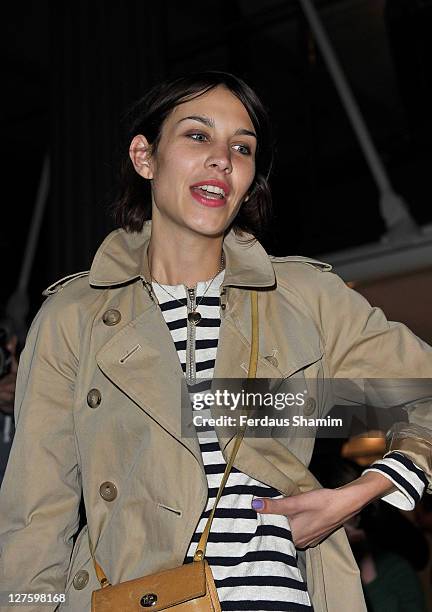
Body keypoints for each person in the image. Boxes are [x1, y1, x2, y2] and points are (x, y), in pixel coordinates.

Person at [0, 71, 431, 612]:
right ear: (145, 156)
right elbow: (34, 522)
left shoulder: (303, 298)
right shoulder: (75, 316)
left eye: (242, 147)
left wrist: (360, 494)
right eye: (198, 135)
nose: (223, 158)